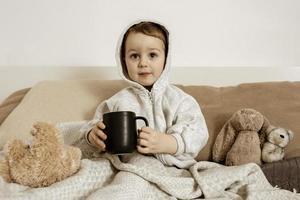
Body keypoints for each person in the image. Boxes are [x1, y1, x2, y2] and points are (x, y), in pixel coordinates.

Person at [81, 20, 209, 169]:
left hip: (173, 168)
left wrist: (169, 143)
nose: (143, 63)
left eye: (152, 55)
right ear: (124, 61)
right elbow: (93, 127)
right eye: (134, 56)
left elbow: (199, 133)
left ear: (166, 59)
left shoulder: (180, 100)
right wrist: (93, 137)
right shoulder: (116, 102)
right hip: (127, 169)